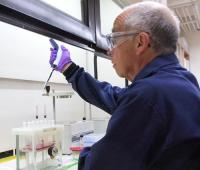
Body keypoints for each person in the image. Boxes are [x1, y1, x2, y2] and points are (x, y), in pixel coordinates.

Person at [49, 1, 200, 170]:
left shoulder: (148, 96)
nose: (109, 50)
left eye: (114, 39)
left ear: (140, 42)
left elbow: (99, 166)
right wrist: (70, 70)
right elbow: (115, 97)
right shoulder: (181, 81)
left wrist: (87, 153)